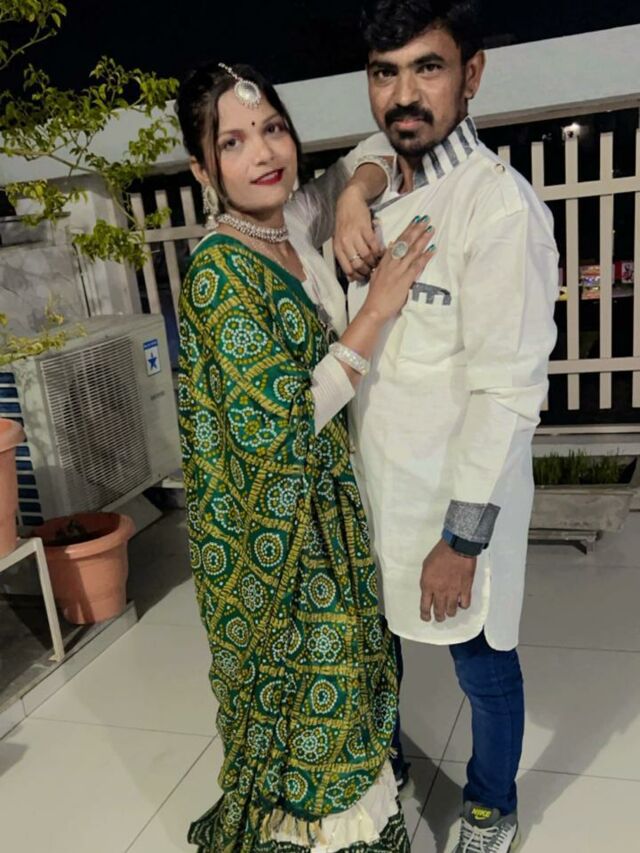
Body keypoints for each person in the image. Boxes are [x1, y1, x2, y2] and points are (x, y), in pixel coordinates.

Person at [175, 61, 436, 852]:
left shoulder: (292, 217)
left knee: (353, 685)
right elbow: (284, 423)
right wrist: (376, 312)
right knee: (314, 714)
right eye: (232, 141)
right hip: (274, 538)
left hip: (331, 511)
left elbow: (375, 151)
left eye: (273, 129)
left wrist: (352, 197)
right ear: (202, 170)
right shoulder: (219, 271)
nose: (262, 152)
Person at [332, 2, 559, 851]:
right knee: (380, 649)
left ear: (472, 74)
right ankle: (387, 768)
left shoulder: (495, 208)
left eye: (428, 68)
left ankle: (492, 806)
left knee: (482, 666)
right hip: (380, 489)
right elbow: (373, 149)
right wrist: (355, 189)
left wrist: (461, 540)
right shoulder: (387, 183)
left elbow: (508, 394)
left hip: (455, 503)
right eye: (384, 73)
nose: (404, 95)